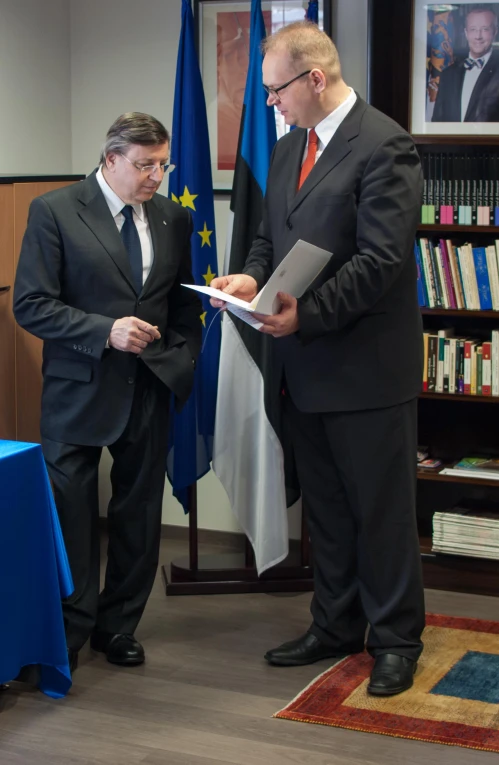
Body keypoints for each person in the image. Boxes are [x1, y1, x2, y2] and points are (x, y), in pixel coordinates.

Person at [211, 21, 424, 697]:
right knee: (327, 510)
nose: (269, 103)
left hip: (364, 369)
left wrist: (308, 313)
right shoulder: (283, 151)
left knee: (380, 512)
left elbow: (381, 263)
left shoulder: (383, 143)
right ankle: (334, 624)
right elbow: (267, 241)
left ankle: (395, 638)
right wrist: (249, 278)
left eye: (275, 90)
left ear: (314, 79)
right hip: (301, 367)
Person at [13, 113, 202, 674]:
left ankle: (118, 627)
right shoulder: (55, 210)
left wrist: (181, 359)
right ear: (111, 159)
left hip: (147, 388)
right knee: (71, 514)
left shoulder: (173, 217)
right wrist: (105, 331)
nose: (157, 177)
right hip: (77, 391)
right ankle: (69, 631)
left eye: (163, 165)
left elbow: (181, 306)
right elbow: (31, 304)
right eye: (145, 165)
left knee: (138, 515)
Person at [432, 6, 499, 123]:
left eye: (485, 29)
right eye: (473, 29)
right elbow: (436, 122)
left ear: (495, 32)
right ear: (466, 33)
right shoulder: (448, 74)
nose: (478, 36)